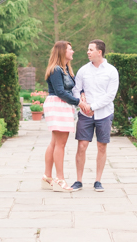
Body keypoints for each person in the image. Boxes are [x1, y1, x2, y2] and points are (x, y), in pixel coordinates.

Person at [70, 39, 119, 192]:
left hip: (104, 113)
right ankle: (78, 180)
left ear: (100, 52)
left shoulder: (111, 71)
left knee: (101, 146)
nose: (88, 52)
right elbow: (76, 90)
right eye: (88, 49)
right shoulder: (83, 70)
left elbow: (110, 95)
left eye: (91, 49)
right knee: (82, 146)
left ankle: (98, 181)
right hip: (85, 114)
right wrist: (83, 104)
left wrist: (93, 106)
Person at [42, 40, 80, 192]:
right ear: (62, 52)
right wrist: (78, 102)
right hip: (58, 105)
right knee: (60, 144)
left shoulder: (65, 69)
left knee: (55, 142)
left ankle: (47, 177)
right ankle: (60, 179)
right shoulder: (56, 70)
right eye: (70, 49)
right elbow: (60, 92)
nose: (73, 51)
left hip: (61, 105)